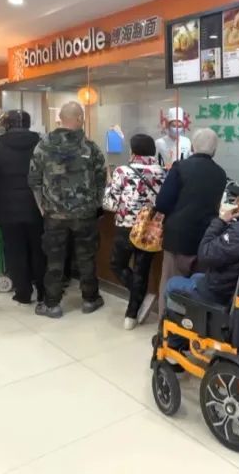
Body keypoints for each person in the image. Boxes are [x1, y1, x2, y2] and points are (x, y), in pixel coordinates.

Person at [29, 102, 107, 318]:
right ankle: (90, 299)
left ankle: (52, 304)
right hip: (85, 214)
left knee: (54, 260)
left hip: (54, 214)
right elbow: (102, 179)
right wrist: (95, 203)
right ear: (80, 118)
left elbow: (34, 180)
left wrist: (42, 207)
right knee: (86, 257)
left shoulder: (43, 146)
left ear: (60, 119)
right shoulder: (90, 147)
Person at [166, 178, 239, 305]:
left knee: (172, 283)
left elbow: (204, 255)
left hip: (218, 294)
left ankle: (175, 316)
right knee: (195, 276)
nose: (236, 202)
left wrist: (220, 221)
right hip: (238, 289)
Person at [153, 128, 227, 317]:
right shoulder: (220, 173)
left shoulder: (180, 167)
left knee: (171, 285)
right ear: (215, 150)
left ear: (193, 147)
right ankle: (191, 327)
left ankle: (166, 326)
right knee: (196, 289)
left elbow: (162, 203)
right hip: (205, 239)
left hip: (177, 239)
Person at [0, 110, 46, 305]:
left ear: (6, 124)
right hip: (38, 205)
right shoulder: (42, 145)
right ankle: (43, 291)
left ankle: (23, 292)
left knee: (14, 250)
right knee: (40, 249)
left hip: (7, 207)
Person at [103, 133, 165, 329]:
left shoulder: (122, 171)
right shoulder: (162, 172)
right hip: (151, 229)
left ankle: (139, 295)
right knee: (141, 270)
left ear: (133, 150)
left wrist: (109, 184)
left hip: (127, 226)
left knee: (116, 264)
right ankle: (131, 315)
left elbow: (110, 204)